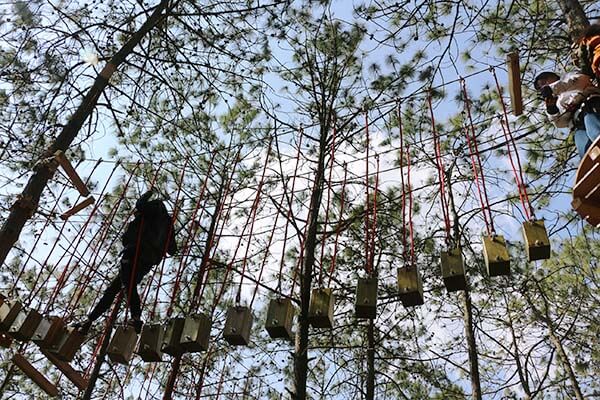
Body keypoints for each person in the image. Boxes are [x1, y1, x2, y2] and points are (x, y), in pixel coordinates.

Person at [76, 189, 177, 334]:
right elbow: (172, 250)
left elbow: (140, 204)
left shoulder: (155, 209)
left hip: (135, 251)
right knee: (117, 288)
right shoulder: (168, 225)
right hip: (147, 261)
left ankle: (136, 317)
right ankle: (90, 320)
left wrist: (149, 193)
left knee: (127, 285)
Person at [534, 70, 600, 158]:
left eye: (544, 82)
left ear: (552, 76)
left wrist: (552, 88)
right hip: (576, 123)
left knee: (594, 131)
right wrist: (552, 110)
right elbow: (561, 123)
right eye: (541, 87)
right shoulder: (555, 101)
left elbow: (581, 80)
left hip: (589, 106)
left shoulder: (568, 77)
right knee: (584, 148)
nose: (544, 86)